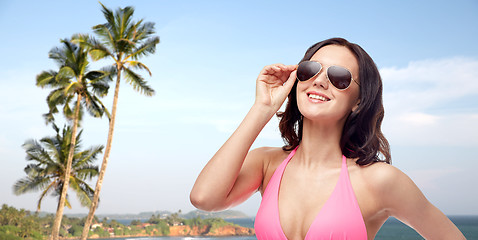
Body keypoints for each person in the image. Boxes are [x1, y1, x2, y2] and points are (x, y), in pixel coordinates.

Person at [190, 38, 465, 239]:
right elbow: (204, 198)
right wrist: (262, 108)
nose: (320, 81)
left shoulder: (379, 180)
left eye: (339, 77)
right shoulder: (267, 164)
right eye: (310, 70)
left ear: (358, 101)